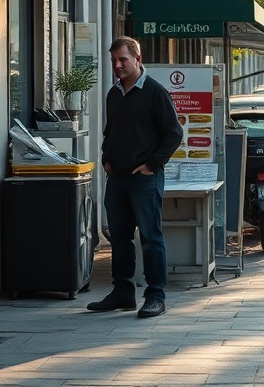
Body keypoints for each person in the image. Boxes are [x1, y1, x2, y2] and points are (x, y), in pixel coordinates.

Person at [87, 36, 183, 318]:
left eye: (123, 60)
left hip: (144, 180)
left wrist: (152, 165)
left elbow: (174, 133)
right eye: (114, 61)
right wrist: (106, 158)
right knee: (119, 238)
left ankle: (155, 296)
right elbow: (110, 132)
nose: (117, 65)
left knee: (151, 238)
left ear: (138, 60)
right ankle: (123, 292)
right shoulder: (114, 94)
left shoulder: (155, 92)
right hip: (117, 180)